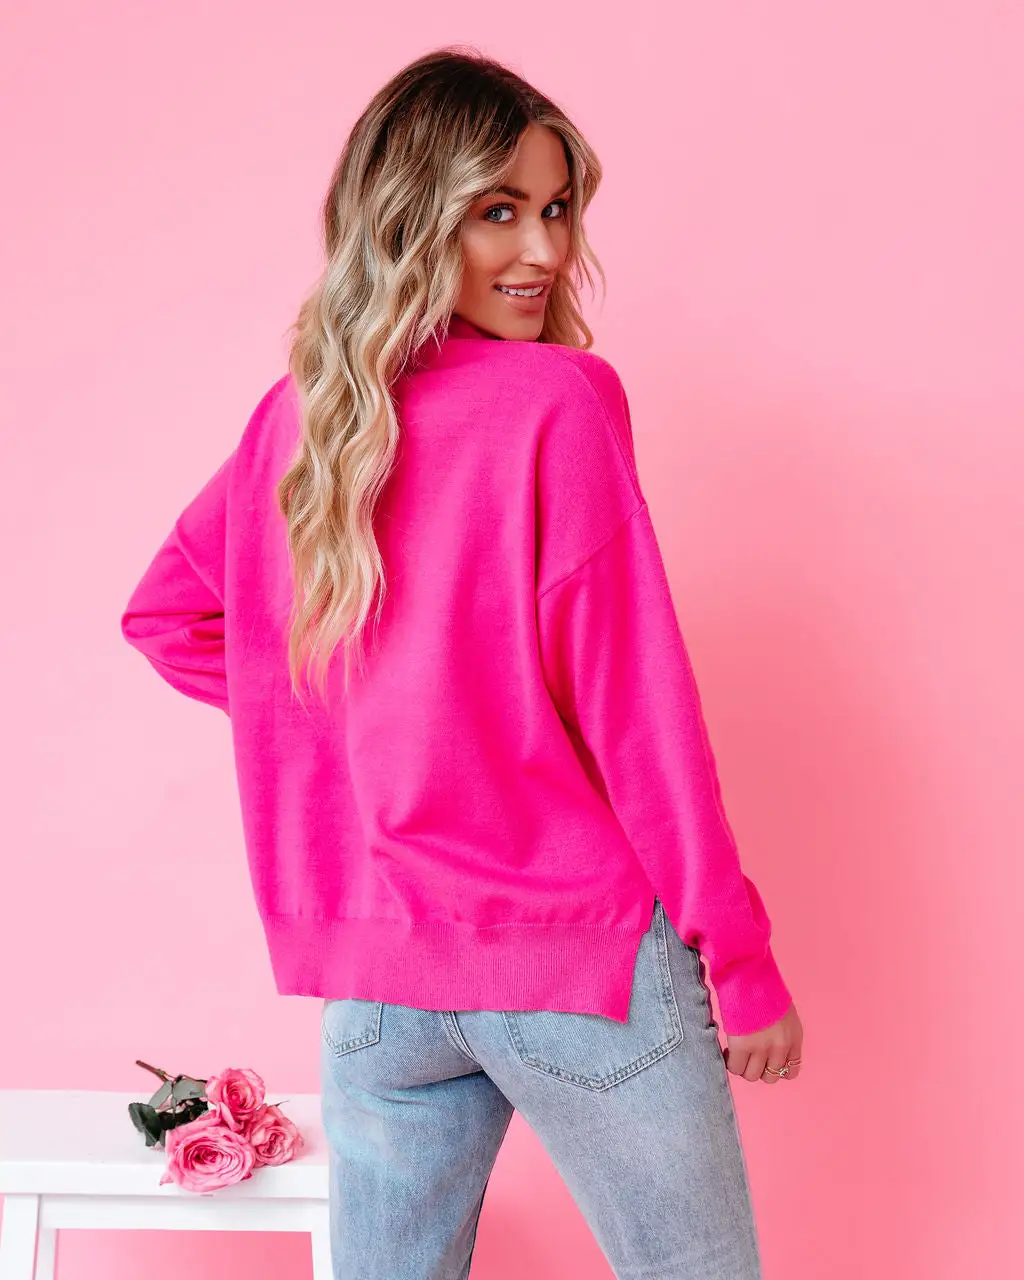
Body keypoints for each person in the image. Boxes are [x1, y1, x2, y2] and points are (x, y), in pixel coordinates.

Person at [121, 45, 804, 1280]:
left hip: (376, 986)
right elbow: (639, 709)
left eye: (556, 209)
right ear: (410, 219)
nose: (542, 249)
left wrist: (370, 718)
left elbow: (169, 616)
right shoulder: (558, 401)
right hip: (571, 955)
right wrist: (739, 957)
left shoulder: (301, 418)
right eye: (498, 211)